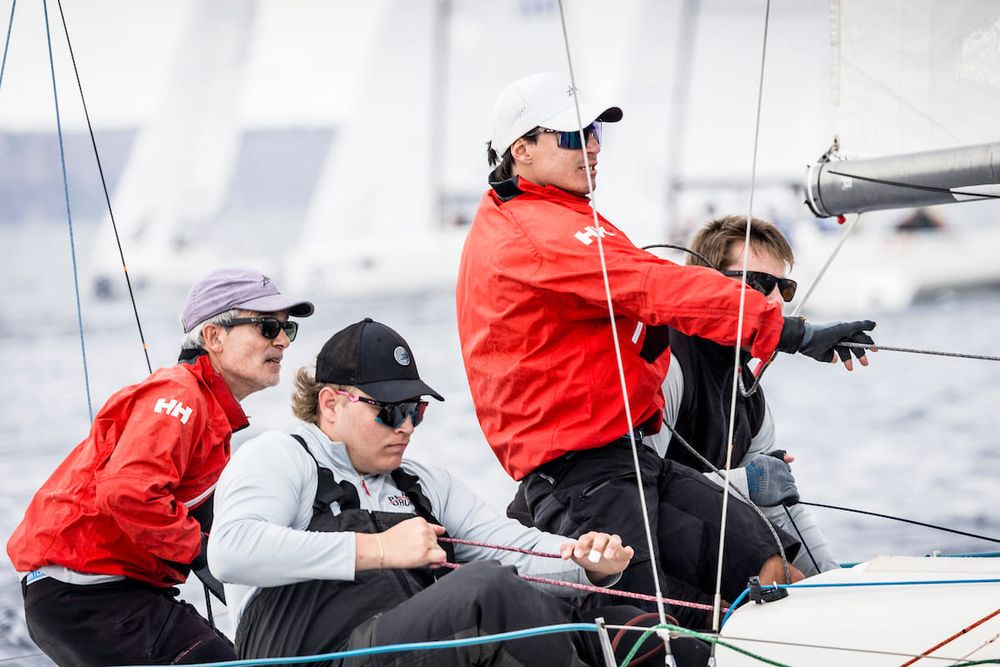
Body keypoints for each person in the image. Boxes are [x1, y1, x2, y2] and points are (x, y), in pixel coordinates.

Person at [456, 72, 875, 623]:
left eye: (597, 133)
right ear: (522, 149)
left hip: (627, 462)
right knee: (658, 628)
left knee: (770, 568)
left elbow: (648, 279)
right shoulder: (534, 231)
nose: (592, 147)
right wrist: (791, 332)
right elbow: (657, 285)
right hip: (580, 478)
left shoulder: (560, 217)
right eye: (572, 135)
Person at [209, 318, 665, 666]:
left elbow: (510, 545)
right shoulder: (281, 457)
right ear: (330, 403)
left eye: (416, 410)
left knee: (627, 624)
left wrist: (585, 562)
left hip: (396, 647)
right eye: (389, 411)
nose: (406, 427)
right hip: (315, 655)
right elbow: (231, 551)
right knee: (484, 588)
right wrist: (378, 549)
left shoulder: (423, 483)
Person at [7, 267, 314, 666]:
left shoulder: (208, 413)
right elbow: (128, 492)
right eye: (267, 327)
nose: (282, 342)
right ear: (214, 337)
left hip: (106, 593)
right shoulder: (179, 396)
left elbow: (215, 529)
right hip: (86, 594)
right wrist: (204, 552)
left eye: (287, 330)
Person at [648, 215, 840, 576]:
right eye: (758, 283)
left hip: (690, 551)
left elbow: (777, 504)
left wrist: (832, 583)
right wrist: (747, 481)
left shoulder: (748, 389)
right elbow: (633, 491)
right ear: (707, 285)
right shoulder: (667, 365)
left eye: (783, 289)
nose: (774, 302)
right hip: (617, 560)